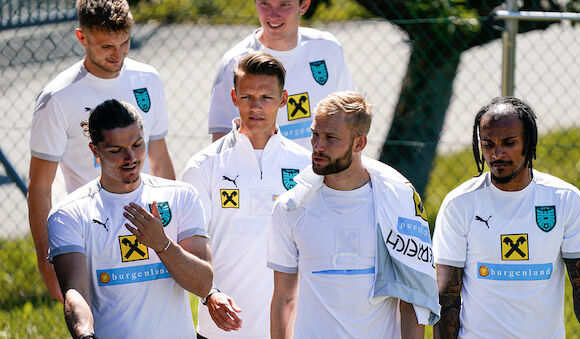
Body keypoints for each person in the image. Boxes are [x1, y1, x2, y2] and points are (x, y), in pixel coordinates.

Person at [28, 0, 175, 302]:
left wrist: (171, 231)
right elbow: (40, 188)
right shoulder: (57, 97)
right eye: (107, 46)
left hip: (147, 230)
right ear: (82, 38)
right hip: (92, 237)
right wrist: (48, 262)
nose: (118, 54)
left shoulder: (147, 79)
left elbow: (160, 159)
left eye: (125, 42)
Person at [267, 91, 440, 339]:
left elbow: (412, 299)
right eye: (315, 134)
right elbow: (283, 298)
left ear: (359, 144)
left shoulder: (396, 206)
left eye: (331, 138)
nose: (318, 146)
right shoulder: (291, 208)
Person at [433, 97, 580, 339]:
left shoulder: (564, 199)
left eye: (509, 143)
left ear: (528, 142)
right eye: (488, 144)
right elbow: (447, 296)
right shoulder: (459, 204)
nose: (497, 154)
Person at [47, 99, 212, 339]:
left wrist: (162, 245)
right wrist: (85, 335)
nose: (131, 157)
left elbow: (203, 284)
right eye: (116, 150)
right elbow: (75, 291)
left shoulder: (181, 196)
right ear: (95, 151)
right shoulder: (70, 214)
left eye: (137, 144)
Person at [182, 52, 310, 339]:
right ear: (233, 96)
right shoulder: (204, 166)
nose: (256, 106)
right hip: (221, 331)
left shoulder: (307, 166)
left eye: (266, 97)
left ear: (283, 99)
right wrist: (209, 294)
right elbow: (192, 246)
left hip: (292, 329)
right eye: (247, 96)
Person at [208, 0, 354, 149]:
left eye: (284, 5)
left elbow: (348, 117)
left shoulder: (327, 48)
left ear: (304, 5)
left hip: (321, 170)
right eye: (265, 4)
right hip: (265, 171)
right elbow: (223, 140)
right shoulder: (235, 62)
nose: (273, 15)